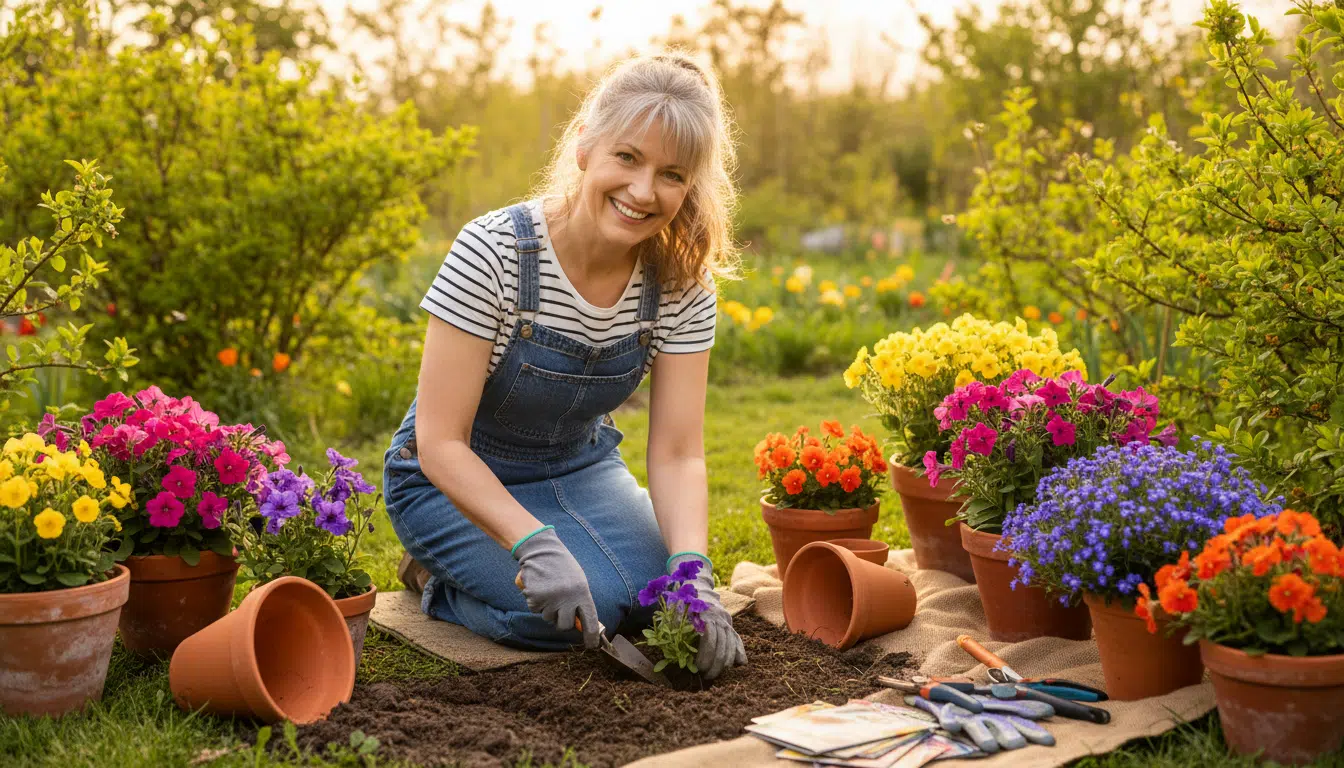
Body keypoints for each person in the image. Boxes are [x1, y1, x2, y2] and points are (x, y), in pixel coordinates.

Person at [382, 52, 748, 679]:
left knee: (650, 600)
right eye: (627, 158)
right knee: (571, 614)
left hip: (580, 469)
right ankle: (435, 579)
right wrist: (532, 543)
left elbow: (679, 452)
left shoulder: (683, 283)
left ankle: (548, 558)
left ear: (690, 188)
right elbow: (439, 442)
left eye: (671, 174)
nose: (642, 191)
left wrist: (695, 576)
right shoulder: (492, 252)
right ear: (585, 147)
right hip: (450, 478)